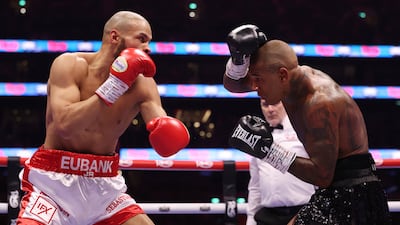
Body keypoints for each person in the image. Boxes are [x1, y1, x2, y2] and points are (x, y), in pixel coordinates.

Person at [17, 11, 190, 225]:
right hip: (53, 186)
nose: (148, 48)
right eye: (141, 39)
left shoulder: (143, 83)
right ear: (115, 37)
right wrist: (114, 86)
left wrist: (167, 128)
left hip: (105, 188)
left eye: (149, 42)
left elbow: (161, 126)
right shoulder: (69, 65)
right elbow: (64, 125)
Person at [225, 25, 392, 224]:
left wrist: (268, 152)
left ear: (283, 75)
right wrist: (238, 60)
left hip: (354, 193)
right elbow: (233, 85)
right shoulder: (283, 81)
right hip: (332, 190)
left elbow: (322, 175)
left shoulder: (320, 103)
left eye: (259, 81)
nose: (256, 88)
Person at [246, 99, 315, 225]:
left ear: (285, 103)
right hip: (269, 217)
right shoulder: (257, 138)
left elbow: (320, 173)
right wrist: (250, 220)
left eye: (275, 103)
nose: (270, 109)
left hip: (302, 212)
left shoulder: (303, 129)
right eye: (265, 105)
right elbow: (255, 187)